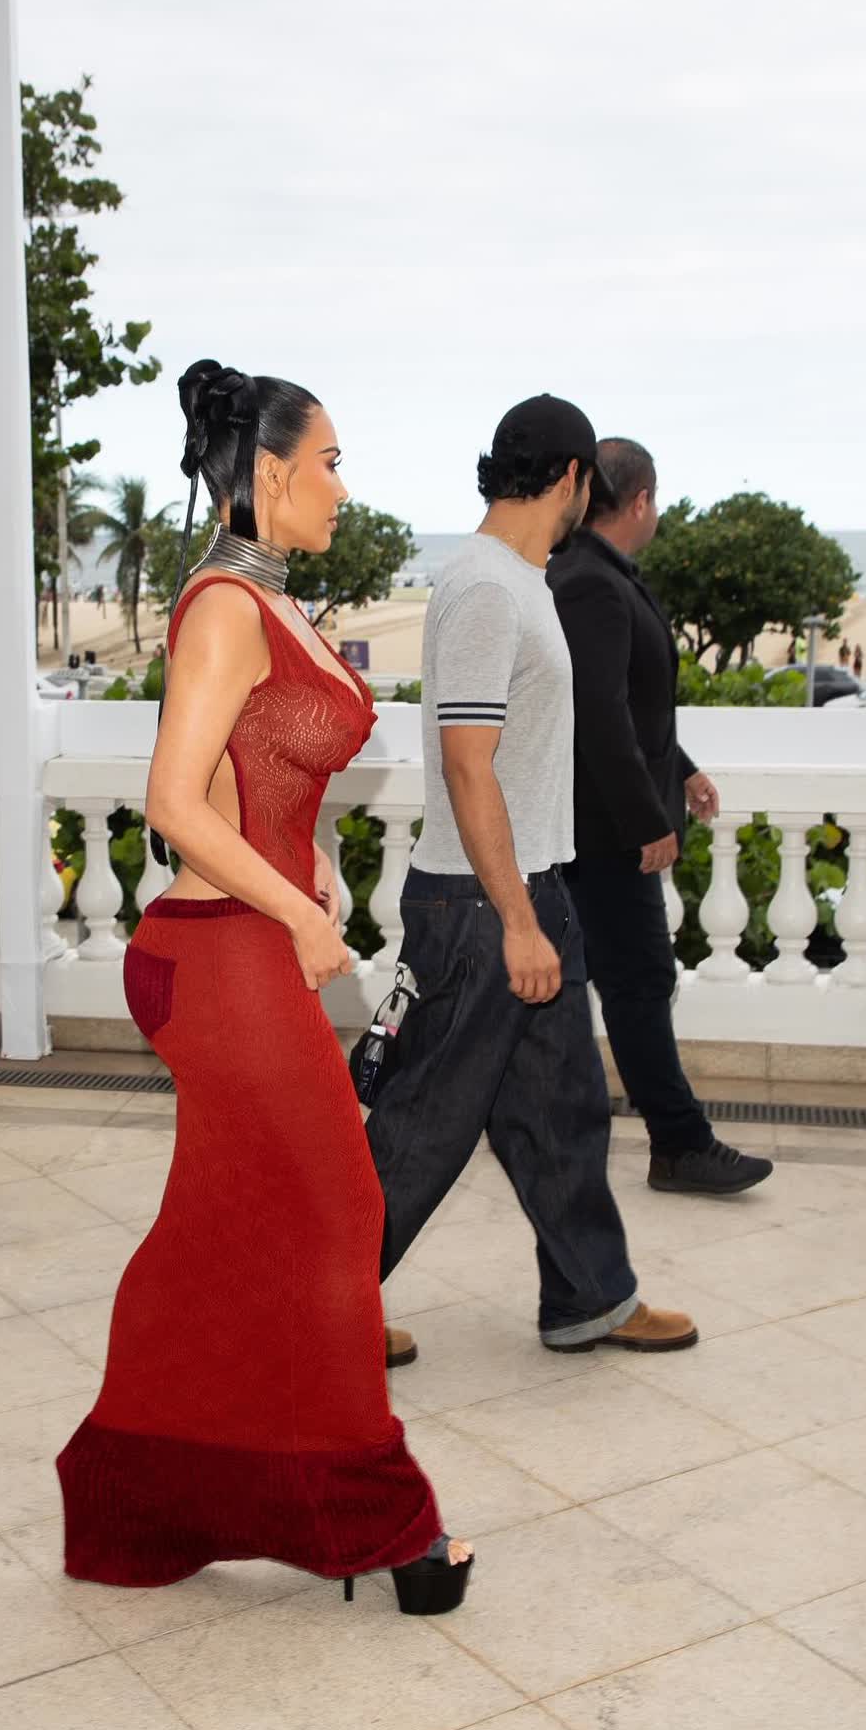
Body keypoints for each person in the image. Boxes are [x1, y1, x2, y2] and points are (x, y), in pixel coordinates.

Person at [56, 363, 472, 1615]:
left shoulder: (273, 600)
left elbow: (267, 773)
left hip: (246, 941)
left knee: (230, 1237)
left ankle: (138, 1494)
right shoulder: (224, 606)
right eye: (331, 462)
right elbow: (174, 803)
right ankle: (380, 1521)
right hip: (218, 952)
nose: (344, 486)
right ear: (274, 471)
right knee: (340, 1216)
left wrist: (312, 865)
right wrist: (293, 908)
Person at [367, 396, 697, 1360]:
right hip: (480, 904)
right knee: (424, 1125)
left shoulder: (521, 579)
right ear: (573, 478)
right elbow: (467, 765)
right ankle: (310, 1312)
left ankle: (590, 1296)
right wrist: (517, 921)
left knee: (561, 1112)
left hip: (527, 888)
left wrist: (534, 906)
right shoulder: (485, 588)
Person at [550, 439, 773, 1195]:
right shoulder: (590, 582)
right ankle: (679, 1145)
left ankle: (658, 1140)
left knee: (609, 982)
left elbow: (631, 706)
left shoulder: (597, 574)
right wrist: (648, 820)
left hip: (603, 824)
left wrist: (682, 768)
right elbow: (597, 714)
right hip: (605, 833)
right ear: (640, 500)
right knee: (640, 982)